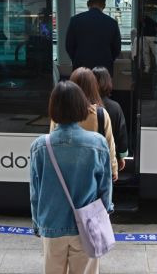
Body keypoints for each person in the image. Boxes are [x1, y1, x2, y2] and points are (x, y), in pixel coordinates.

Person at [30, 80, 113, 274]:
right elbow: (105, 188)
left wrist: (37, 224)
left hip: (51, 225)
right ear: (81, 107)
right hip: (86, 226)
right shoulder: (98, 144)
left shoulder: (40, 146)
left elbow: (35, 192)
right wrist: (105, 214)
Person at [50, 67, 118, 181]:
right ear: (94, 87)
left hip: (64, 170)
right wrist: (113, 168)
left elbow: (53, 141)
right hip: (92, 172)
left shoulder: (59, 112)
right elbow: (109, 145)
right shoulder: (100, 113)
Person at [66, 0, 121, 76]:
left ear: (88, 3)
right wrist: (107, 59)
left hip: (81, 69)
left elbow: (69, 46)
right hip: (104, 70)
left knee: (81, 89)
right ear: (104, 5)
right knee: (101, 89)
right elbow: (117, 49)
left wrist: (77, 59)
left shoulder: (75, 20)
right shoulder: (112, 23)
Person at [92, 67, 128, 171]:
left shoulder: (85, 107)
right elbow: (121, 135)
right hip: (108, 158)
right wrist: (121, 157)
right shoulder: (115, 107)